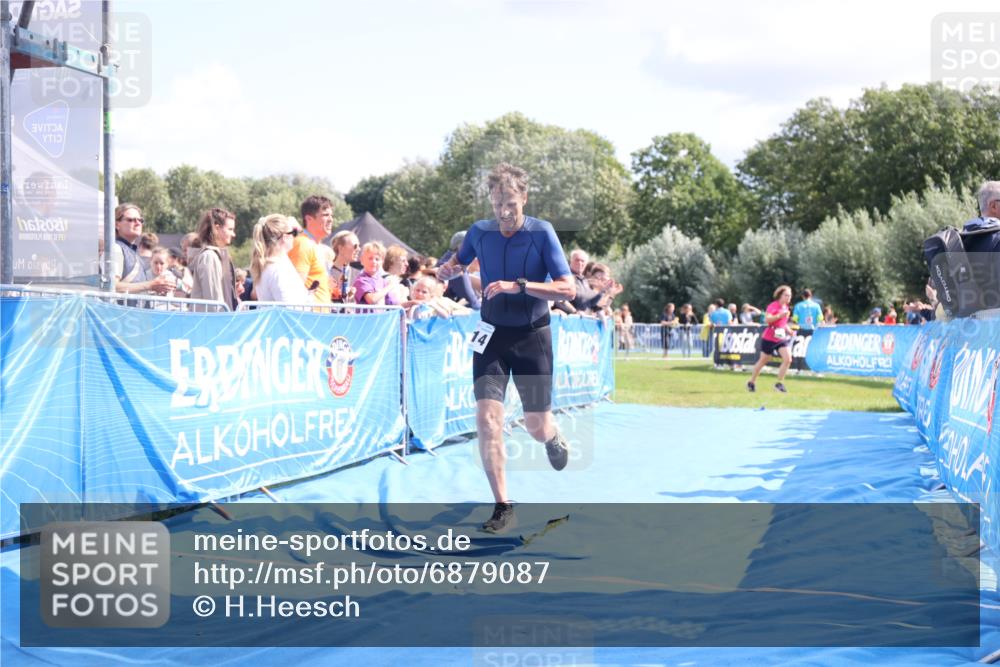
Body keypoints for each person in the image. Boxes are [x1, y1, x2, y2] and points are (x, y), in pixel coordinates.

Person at [436, 162, 575, 533]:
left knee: (534, 424)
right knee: (487, 419)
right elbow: (458, 262)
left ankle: (552, 434)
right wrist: (448, 271)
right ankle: (503, 505)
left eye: (511, 203)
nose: (504, 211)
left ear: (524, 198)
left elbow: (568, 288)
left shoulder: (542, 234)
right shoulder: (479, 233)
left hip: (533, 337)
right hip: (491, 335)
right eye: (498, 203)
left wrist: (520, 286)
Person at [110, 203, 173, 295]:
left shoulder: (132, 252)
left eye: (140, 220)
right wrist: (150, 285)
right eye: (131, 220)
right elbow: (111, 286)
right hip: (122, 309)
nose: (138, 223)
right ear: (117, 224)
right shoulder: (116, 249)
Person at [251, 214, 310, 303]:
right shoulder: (277, 269)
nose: (295, 237)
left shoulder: (272, 264)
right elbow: (288, 308)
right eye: (293, 233)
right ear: (285, 237)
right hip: (290, 316)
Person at [188, 207, 239, 310]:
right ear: (217, 228)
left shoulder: (216, 256)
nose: (233, 234)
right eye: (230, 229)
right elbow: (213, 301)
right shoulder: (209, 257)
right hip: (211, 323)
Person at [747, 285, 795, 394]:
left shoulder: (786, 308)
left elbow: (783, 323)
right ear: (780, 295)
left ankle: (779, 384)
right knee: (763, 360)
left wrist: (788, 330)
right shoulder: (773, 306)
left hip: (780, 336)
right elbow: (767, 320)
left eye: (790, 296)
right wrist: (780, 315)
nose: (788, 298)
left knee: (788, 359)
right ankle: (751, 382)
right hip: (769, 336)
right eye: (786, 295)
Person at [289, 195, 334, 304]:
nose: (331, 220)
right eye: (325, 215)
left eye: (331, 215)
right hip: (309, 316)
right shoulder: (303, 244)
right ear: (309, 218)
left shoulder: (315, 245)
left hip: (319, 316)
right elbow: (296, 286)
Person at [354, 241, 400, 306]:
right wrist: (390, 286)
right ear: (362, 260)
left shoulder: (382, 281)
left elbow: (393, 303)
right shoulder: (361, 280)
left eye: (377, 259)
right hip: (368, 316)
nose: (373, 262)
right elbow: (371, 299)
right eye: (370, 258)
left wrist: (412, 303)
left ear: (382, 262)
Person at [328, 230, 360, 303]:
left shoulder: (358, 274)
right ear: (341, 248)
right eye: (355, 246)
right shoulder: (327, 271)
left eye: (359, 246)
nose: (358, 249)